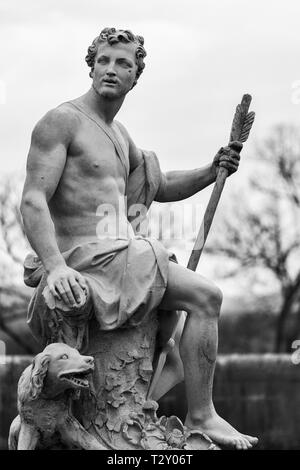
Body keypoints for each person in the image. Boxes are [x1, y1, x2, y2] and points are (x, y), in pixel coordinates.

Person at [20, 27, 258, 450]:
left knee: (183, 325)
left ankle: (140, 409)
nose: (111, 70)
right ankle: (202, 413)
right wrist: (55, 267)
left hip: (120, 257)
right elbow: (33, 200)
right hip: (86, 259)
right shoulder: (62, 121)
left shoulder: (120, 134)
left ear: (135, 77)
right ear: (91, 65)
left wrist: (212, 168)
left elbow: (160, 185)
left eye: (123, 64)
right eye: (103, 61)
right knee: (207, 296)